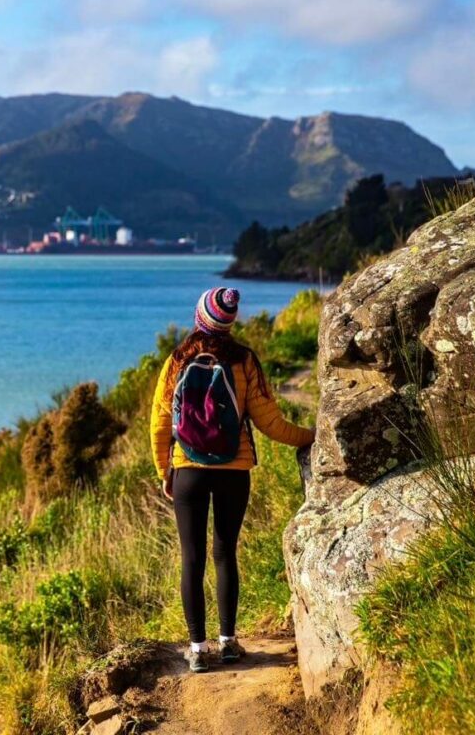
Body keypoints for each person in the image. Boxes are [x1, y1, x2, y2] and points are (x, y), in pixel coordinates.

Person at [150, 287, 314, 673]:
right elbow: (271, 424)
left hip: (187, 470)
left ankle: (196, 649)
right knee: (225, 554)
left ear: (199, 317)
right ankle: (227, 642)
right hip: (234, 470)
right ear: (229, 322)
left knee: (191, 558)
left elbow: (160, 424)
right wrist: (314, 435)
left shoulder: (177, 360)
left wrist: (165, 471)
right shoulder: (244, 361)